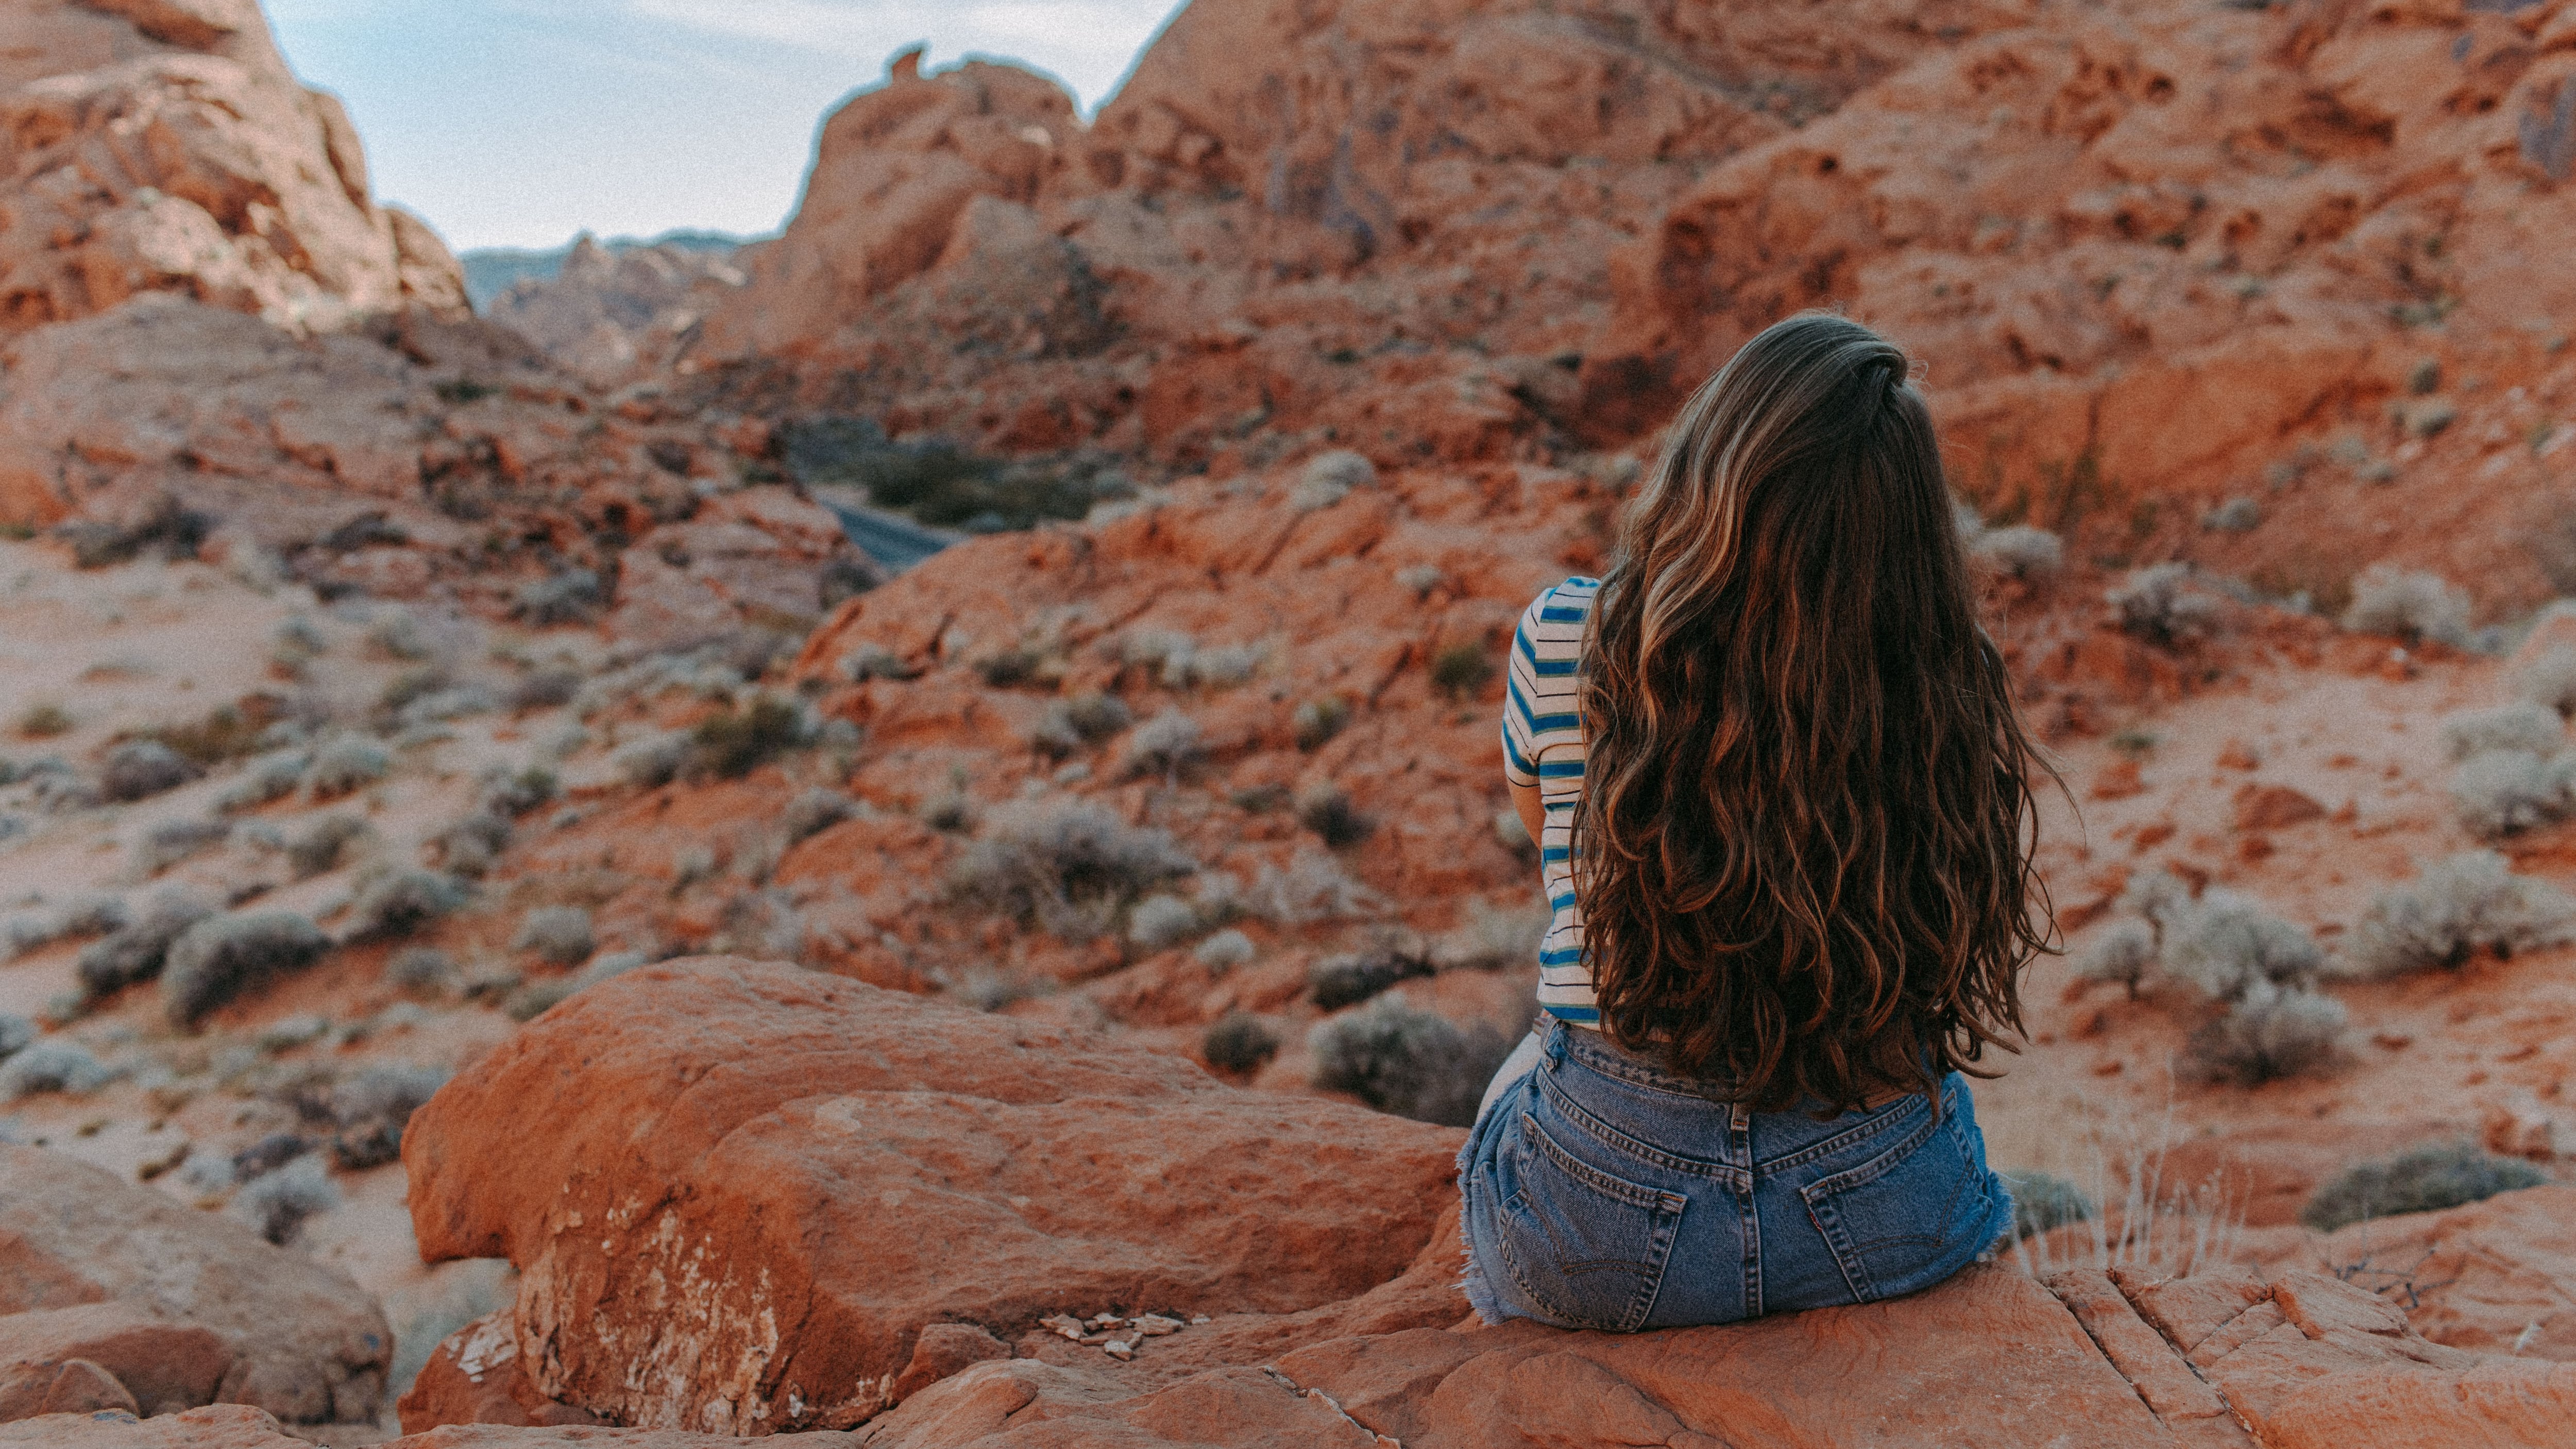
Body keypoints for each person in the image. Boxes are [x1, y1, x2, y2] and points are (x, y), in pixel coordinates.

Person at [1457, 312, 2055, 1332]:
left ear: (1709, 463)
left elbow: (1547, 833)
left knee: (1525, 1055)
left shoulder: (1568, 631)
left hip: (1598, 1222)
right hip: (1882, 1208)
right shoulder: (1933, 675)